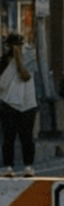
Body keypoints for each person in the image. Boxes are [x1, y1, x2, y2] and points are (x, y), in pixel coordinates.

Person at [0, 32, 37, 177]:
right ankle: (9, 167)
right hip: (8, 103)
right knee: (8, 138)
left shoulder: (29, 59)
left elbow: (25, 76)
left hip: (28, 103)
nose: (16, 48)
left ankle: (28, 166)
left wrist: (18, 58)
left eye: (19, 45)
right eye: (13, 45)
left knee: (26, 137)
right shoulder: (4, 61)